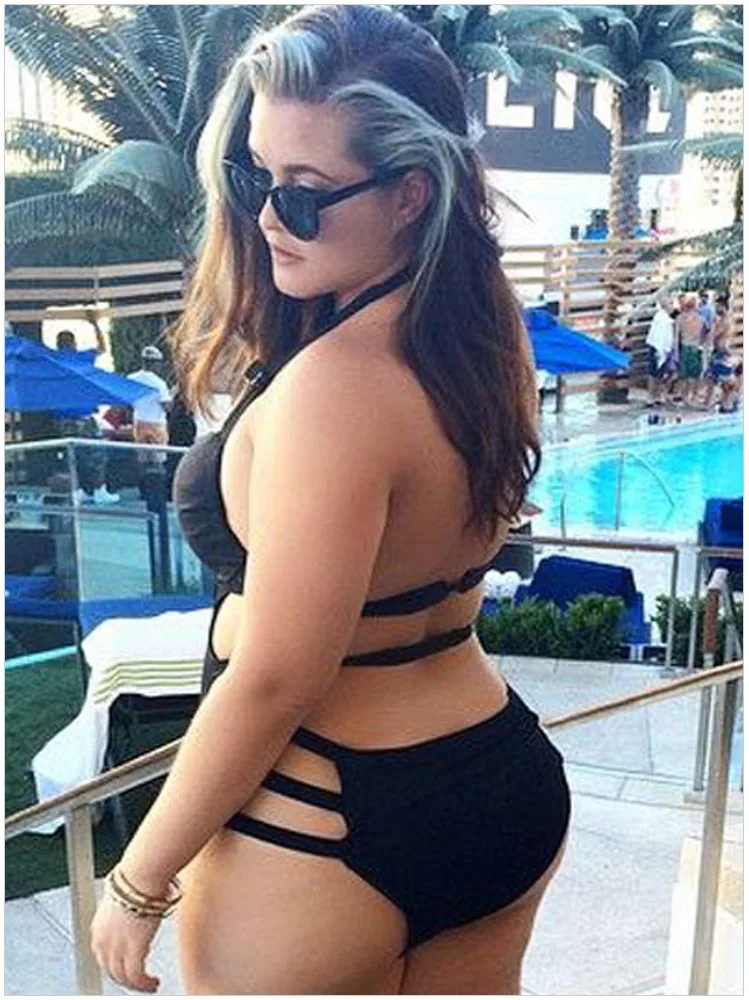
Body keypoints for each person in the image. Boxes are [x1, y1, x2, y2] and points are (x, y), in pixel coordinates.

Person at [90, 7, 570, 995]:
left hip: (326, 818)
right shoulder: (483, 337)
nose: (268, 218)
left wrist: (139, 879)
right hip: (497, 777)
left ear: (409, 194)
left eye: (305, 195)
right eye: (253, 179)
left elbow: (277, 674)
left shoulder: (334, 389)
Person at [55, 314, 120, 505]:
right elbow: (103, 348)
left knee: (71, 457)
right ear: (73, 343)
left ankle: (78, 492)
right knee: (97, 455)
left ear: (58, 345)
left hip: (62, 419)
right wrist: (95, 325)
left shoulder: (54, 362)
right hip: (83, 416)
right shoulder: (81, 359)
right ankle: (99, 491)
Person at [127, 345, 172, 466]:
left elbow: (127, 403)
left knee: (142, 459)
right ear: (155, 363)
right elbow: (167, 407)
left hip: (139, 422)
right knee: (158, 460)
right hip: (157, 424)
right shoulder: (159, 383)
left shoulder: (131, 378)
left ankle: (143, 478)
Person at [673, 292, 704, 407]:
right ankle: (693, 396)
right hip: (696, 347)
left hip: (685, 346)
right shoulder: (700, 319)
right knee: (695, 375)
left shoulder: (680, 319)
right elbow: (704, 335)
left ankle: (684, 396)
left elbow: (676, 337)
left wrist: (676, 352)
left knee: (684, 375)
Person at [645, 293, 674, 406]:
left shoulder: (665, 318)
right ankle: (651, 396)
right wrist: (659, 350)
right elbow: (659, 336)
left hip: (662, 348)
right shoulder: (661, 319)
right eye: (670, 303)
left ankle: (657, 395)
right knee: (653, 373)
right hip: (657, 347)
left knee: (660, 374)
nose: (672, 306)